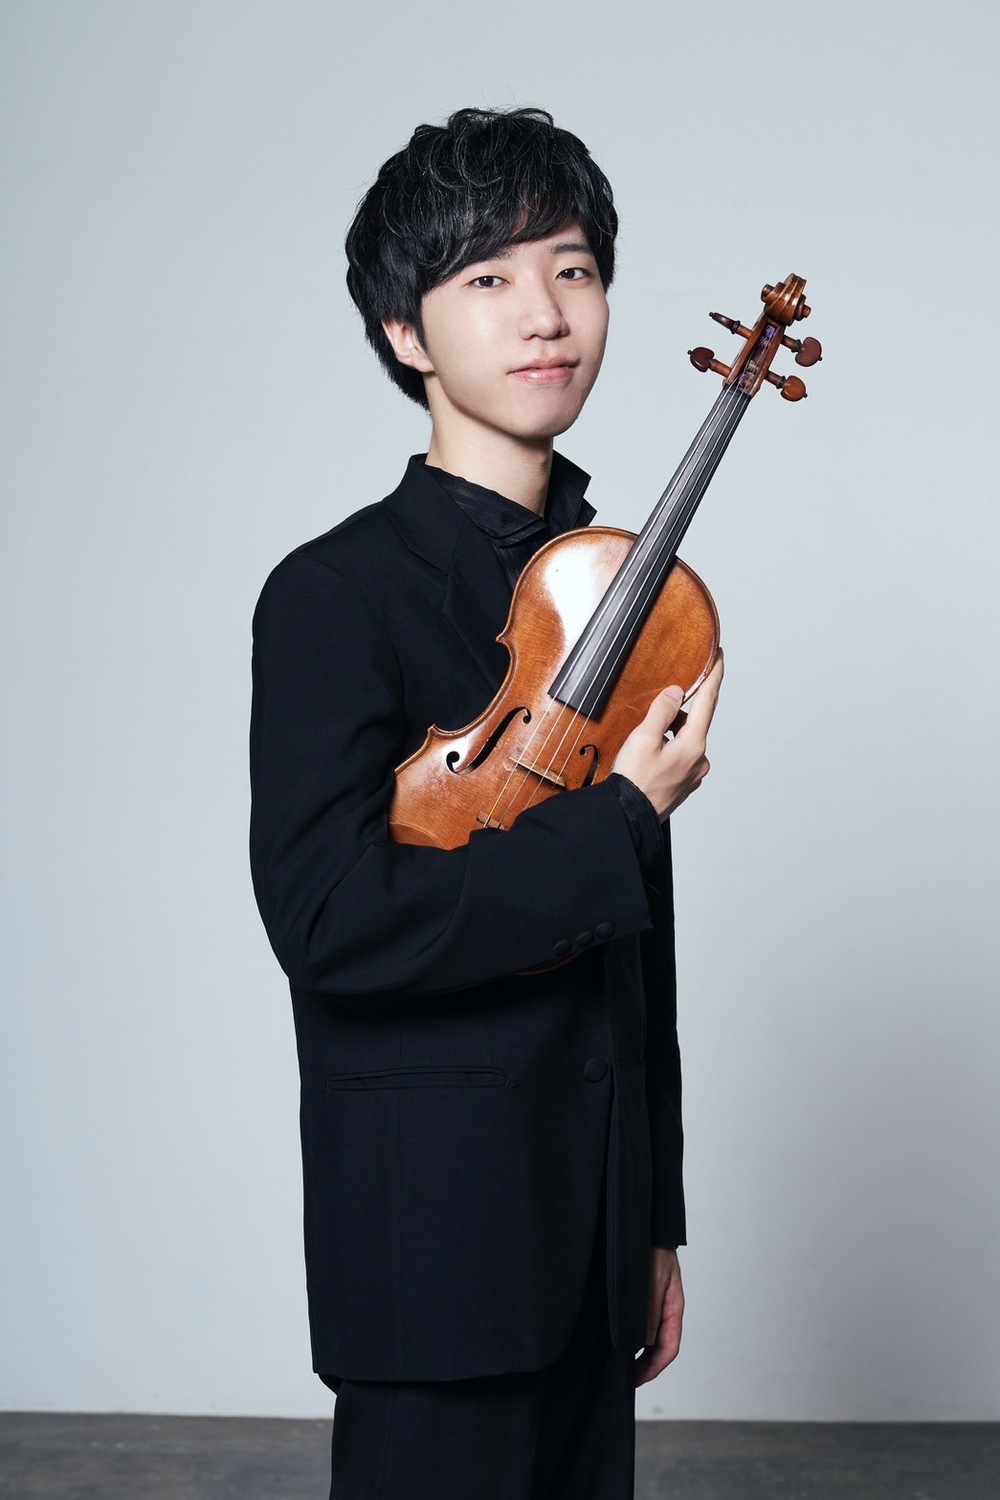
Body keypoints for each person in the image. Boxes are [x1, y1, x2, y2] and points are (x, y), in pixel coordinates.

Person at [250, 106, 723, 1500]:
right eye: (489, 277)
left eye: (573, 269)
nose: (545, 313)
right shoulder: (334, 593)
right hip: (434, 1243)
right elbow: (332, 922)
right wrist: (616, 822)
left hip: (594, 1242)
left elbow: (636, 950)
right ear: (406, 331)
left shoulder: (622, 597)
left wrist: (653, 1218)